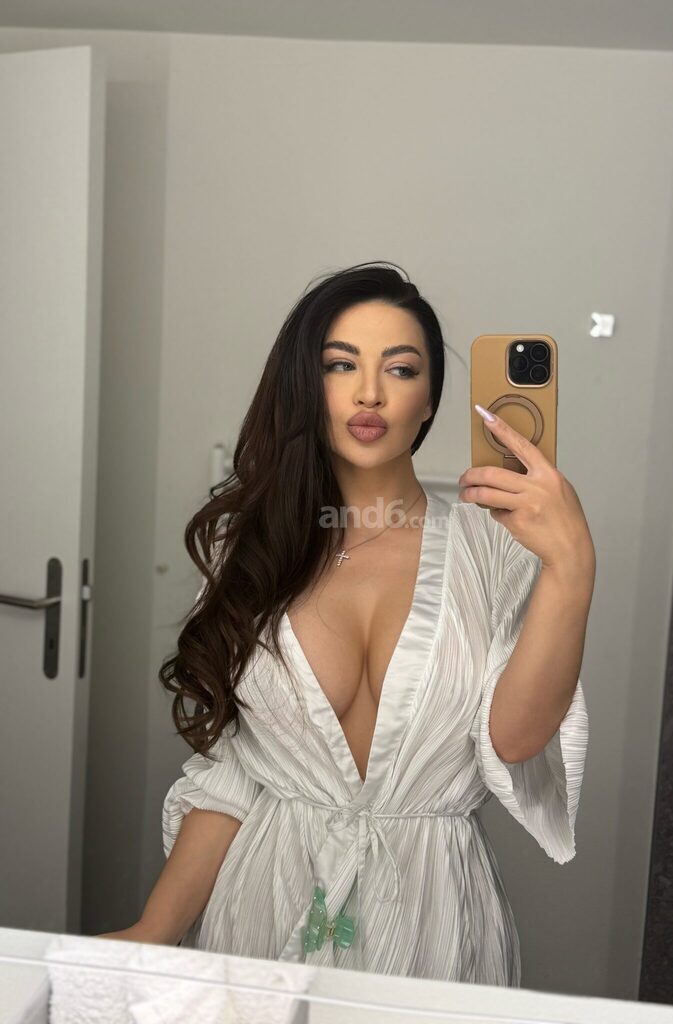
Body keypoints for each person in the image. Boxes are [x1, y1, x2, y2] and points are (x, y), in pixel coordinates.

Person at [99, 262, 595, 986]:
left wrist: (572, 564)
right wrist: (155, 928)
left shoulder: (498, 548)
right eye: (341, 365)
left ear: (430, 400)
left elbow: (515, 740)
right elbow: (236, 772)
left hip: (433, 923)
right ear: (308, 385)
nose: (369, 393)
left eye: (401, 368)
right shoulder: (253, 547)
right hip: (262, 909)